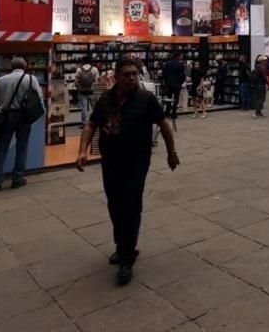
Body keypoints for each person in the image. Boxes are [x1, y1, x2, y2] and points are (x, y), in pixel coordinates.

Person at [76, 58, 179, 286]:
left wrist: (172, 152)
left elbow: (163, 124)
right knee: (114, 203)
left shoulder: (146, 99)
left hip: (137, 160)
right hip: (111, 160)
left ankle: (127, 257)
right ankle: (122, 245)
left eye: (134, 73)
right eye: (127, 74)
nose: (131, 77)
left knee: (131, 204)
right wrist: (82, 150)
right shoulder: (105, 99)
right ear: (117, 75)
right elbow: (91, 124)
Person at [0, 57, 44, 191]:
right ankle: (17, 178)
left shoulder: (2, 80)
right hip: (24, 117)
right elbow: (39, 98)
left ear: (11, 66)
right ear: (24, 66)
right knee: (22, 146)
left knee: (1, 148)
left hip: (7, 116)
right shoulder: (31, 79)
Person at [161, 51, 186, 119]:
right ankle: (173, 113)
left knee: (169, 98)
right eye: (181, 55)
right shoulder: (180, 64)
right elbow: (183, 75)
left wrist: (166, 82)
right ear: (178, 56)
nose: (182, 57)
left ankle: (167, 112)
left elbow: (164, 74)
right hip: (177, 84)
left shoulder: (167, 63)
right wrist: (180, 82)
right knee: (175, 99)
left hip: (169, 84)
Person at [75, 56, 99, 124]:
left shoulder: (79, 70)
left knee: (83, 107)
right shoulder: (94, 69)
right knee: (95, 107)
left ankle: (84, 122)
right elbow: (97, 81)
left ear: (83, 61)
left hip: (82, 92)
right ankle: (96, 121)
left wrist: (79, 88)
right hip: (92, 91)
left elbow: (76, 82)